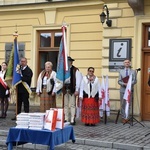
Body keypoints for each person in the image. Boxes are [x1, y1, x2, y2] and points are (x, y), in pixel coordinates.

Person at [63, 56, 82, 125]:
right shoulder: (64, 70)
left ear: (71, 62)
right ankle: (66, 118)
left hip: (72, 89)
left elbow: (78, 81)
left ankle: (72, 119)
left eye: (68, 61)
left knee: (72, 105)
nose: (67, 63)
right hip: (65, 89)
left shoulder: (75, 70)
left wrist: (77, 90)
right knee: (65, 105)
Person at [118, 59, 137, 123]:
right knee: (123, 104)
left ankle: (127, 117)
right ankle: (123, 117)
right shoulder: (121, 71)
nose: (127, 63)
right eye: (125, 62)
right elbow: (119, 81)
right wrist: (124, 84)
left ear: (130, 63)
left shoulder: (133, 71)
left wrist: (129, 84)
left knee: (128, 104)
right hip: (123, 90)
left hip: (130, 90)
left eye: (128, 62)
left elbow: (135, 80)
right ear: (124, 64)